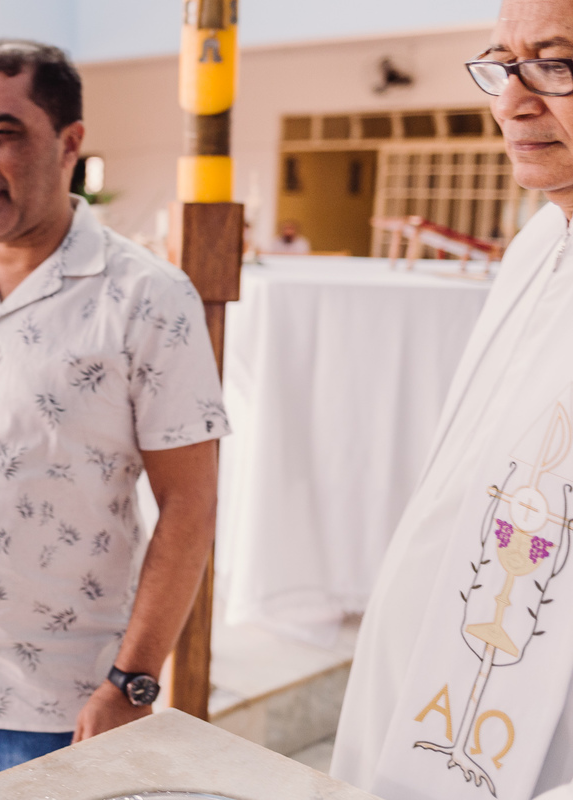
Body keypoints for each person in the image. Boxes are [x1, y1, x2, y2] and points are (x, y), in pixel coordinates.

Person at [0, 40, 227, 799]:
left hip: (60, 698)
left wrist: (132, 682)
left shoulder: (146, 298)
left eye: (2, 131)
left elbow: (191, 504)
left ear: (70, 144)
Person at [331, 3, 573, 798]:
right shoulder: (540, 239)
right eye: (502, 63)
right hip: (427, 690)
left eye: (557, 64)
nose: (511, 100)